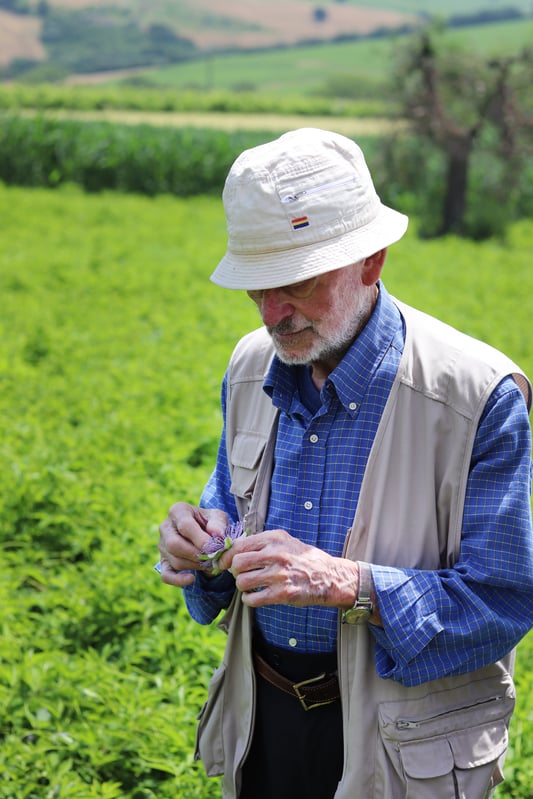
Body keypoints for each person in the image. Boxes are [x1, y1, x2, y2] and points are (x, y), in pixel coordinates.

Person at [157, 128, 533, 799]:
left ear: (371, 260)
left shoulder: (478, 397)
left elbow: (504, 600)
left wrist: (349, 583)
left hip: (406, 738)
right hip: (262, 719)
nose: (273, 313)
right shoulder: (250, 365)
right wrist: (202, 549)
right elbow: (230, 508)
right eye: (256, 287)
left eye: (296, 283)